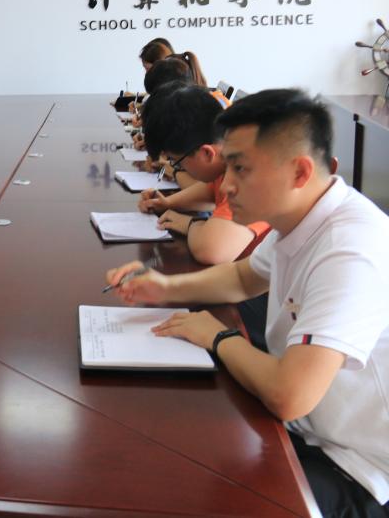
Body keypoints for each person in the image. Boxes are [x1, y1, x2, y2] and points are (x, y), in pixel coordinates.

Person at [106, 89, 389, 517]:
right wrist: (164, 288)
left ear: (299, 171)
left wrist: (218, 337)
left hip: (360, 468)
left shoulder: (350, 249)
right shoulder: (304, 216)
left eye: (240, 168)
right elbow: (242, 277)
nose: (225, 185)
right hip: (311, 428)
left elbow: (289, 395)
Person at [138, 84, 270, 265]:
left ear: (207, 153)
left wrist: (189, 224)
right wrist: (168, 203)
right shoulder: (229, 156)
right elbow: (210, 191)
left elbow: (212, 251)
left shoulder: (249, 174)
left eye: (177, 161)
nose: (176, 166)